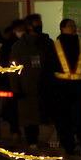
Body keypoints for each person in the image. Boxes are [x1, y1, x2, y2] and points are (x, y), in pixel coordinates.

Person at [49, 18, 81, 155]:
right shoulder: (55, 45)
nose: (73, 28)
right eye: (70, 26)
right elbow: (49, 67)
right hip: (62, 88)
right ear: (62, 28)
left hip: (79, 87)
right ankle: (69, 145)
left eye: (74, 25)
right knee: (64, 118)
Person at [7, 20, 50, 150]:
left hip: (44, 86)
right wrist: (16, 88)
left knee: (44, 116)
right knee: (29, 117)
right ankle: (32, 141)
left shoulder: (47, 44)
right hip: (27, 88)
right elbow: (14, 69)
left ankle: (41, 141)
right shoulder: (19, 46)